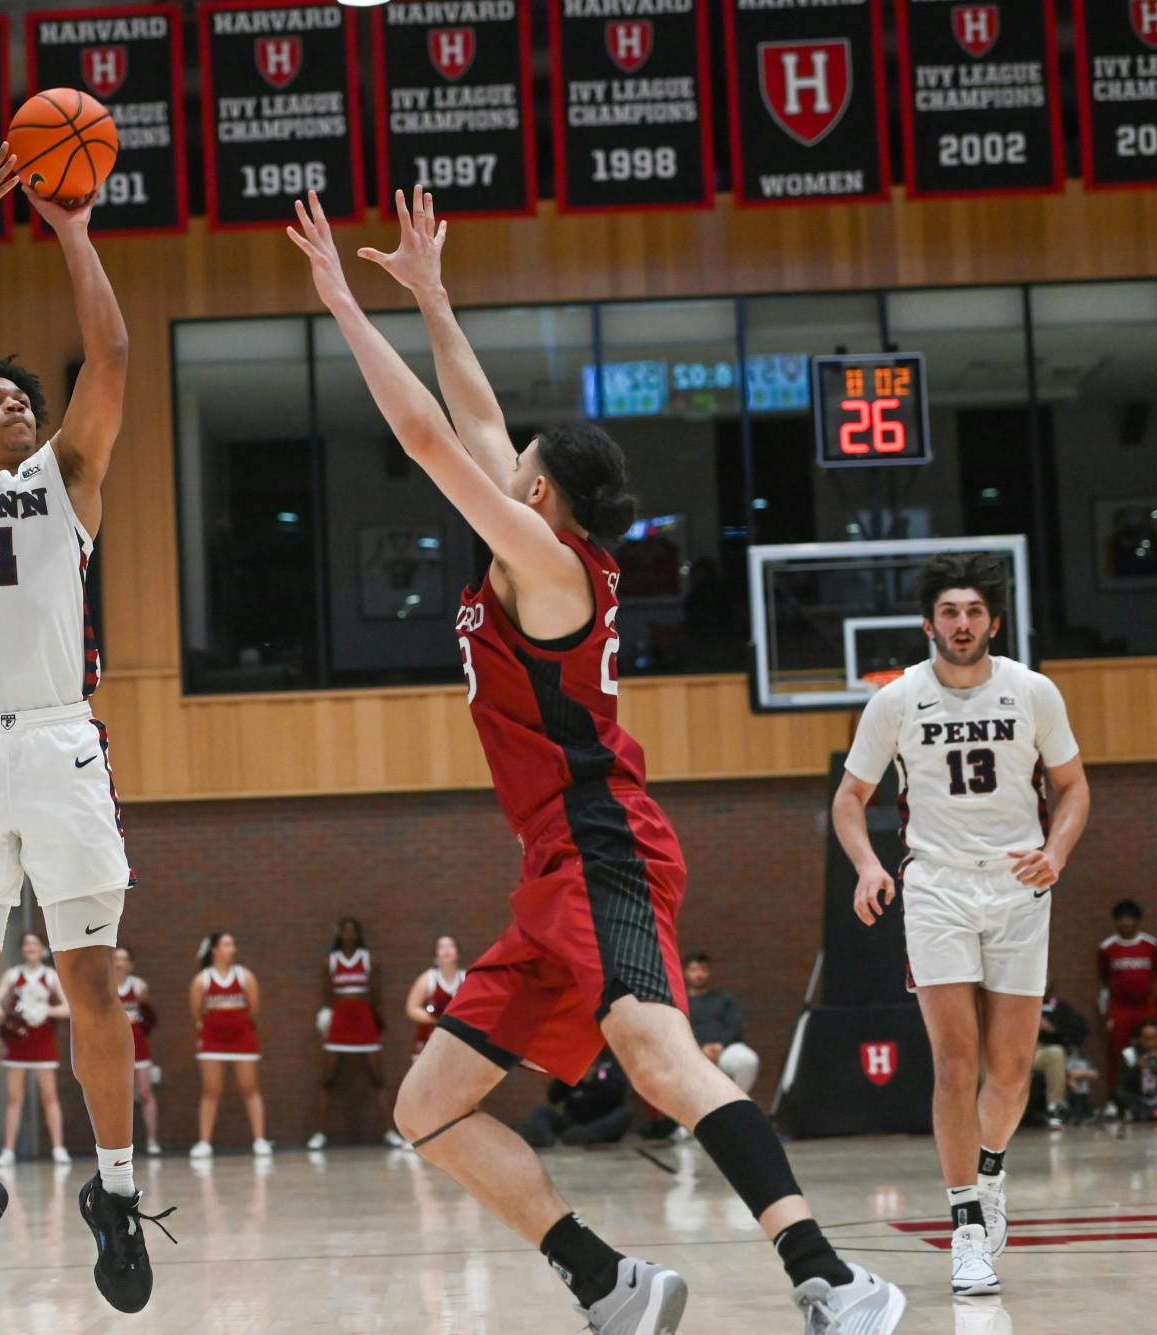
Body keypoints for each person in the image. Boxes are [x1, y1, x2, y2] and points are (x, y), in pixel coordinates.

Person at [290, 187, 902, 1333]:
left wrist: (338, 302)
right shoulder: (528, 543)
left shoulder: (548, 564)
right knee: (427, 1106)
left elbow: (429, 437)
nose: (500, 456)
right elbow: (468, 417)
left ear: (537, 493)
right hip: (548, 869)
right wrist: (427, 295)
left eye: (515, 461)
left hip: (604, 843)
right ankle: (605, 1279)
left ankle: (833, 1278)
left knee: (657, 1057)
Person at [0, 138, 168, 1315]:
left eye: (22, 397)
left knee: (93, 980)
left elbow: (109, 351)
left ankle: (112, 1192)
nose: (14, 404)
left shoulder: (67, 480)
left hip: (61, 741)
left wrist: (69, 225)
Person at [834, 551, 1090, 1298]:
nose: (962, 623)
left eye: (974, 611)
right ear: (928, 623)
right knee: (955, 1062)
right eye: (949, 611)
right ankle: (966, 1227)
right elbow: (850, 798)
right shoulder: (898, 700)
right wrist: (868, 865)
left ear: (994, 622)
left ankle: (990, 1171)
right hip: (937, 887)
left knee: (1011, 1071)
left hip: (1017, 887)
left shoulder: (1033, 691)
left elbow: (1073, 788)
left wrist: (1057, 850)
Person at [308, 917, 399, 1150]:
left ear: (358, 934)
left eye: (352, 931)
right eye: (344, 931)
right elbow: (325, 993)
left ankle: (391, 1132)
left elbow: (376, 994)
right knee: (327, 1078)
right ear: (339, 934)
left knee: (378, 1077)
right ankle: (319, 1134)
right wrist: (325, 1017)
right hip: (340, 1021)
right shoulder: (331, 961)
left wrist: (378, 1021)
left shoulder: (369, 960)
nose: (348, 935)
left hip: (364, 1020)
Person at [0, 932, 71, 1169]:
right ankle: (8, 1150)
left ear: (43, 948)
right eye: (26, 943)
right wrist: (8, 1016)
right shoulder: (13, 975)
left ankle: (58, 1148)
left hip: (43, 1039)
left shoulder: (51, 976)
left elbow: (67, 1008)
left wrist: (44, 1010)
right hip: (18, 1041)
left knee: (50, 1095)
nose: (30, 947)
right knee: (15, 1098)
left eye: (34, 943)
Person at [188, 931, 269, 1159]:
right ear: (214, 950)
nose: (232, 947)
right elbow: (197, 1013)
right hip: (212, 1040)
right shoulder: (201, 980)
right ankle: (204, 1143)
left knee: (250, 1089)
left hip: (243, 1038)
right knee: (211, 1091)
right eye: (226, 943)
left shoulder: (245, 976)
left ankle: (260, 1140)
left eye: (233, 943)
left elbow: (254, 1009)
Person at [1097, 898, 1156, 1105]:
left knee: (1152, 1049)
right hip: (1120, 1007)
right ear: (1116, 922)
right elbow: (1104, 976)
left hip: (1145, 1006)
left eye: (1130, 919)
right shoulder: (1107, 948)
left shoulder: (1150, 945)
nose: (1126, 923)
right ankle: (1114, 1099)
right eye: (1121, 919)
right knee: (1118, 1051)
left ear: (1138, 921)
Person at [515, 1051, 635, 1149]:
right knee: (543, 1111)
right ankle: (539, 1136)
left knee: (624, 1114)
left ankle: (585, 1135)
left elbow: (617, 1096)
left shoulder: (609, 1064)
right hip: (572, 1126)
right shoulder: (573, 1063)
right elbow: (553, 1098)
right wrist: (566, 1076)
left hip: (602, 1123)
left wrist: (595, 1079)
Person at [683, 953, 760, 1097]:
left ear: (709, 971)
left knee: (748, 1061)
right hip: (693, 1054)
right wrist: (700, 1047)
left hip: (724, 1050)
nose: (699, 975)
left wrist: (720, 1045)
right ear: (685, 973)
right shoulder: (680, 1004)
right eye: (694, 970)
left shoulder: (724, 999)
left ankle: (735, 1102)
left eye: (703, 969)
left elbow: (735, 1027)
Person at [114, 946, 161, 1155]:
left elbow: (149, 1017)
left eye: (124, 959)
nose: (119, 963)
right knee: (116, 1095)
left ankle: (152, 1141)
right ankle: (117, 1145)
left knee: (145, 1092)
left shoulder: (139, 987)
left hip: (137, 1042)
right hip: (113, 1043)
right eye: (116, 958)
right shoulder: (105, 986)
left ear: (131, 964)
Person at [1034, 987, 1089, 1130]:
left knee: (1056, 1053)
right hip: (1012, 1050)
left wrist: (1052, 1028)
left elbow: (1078, 1032)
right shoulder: (1012, 1002)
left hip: (1040, 1051)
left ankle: (1055, 1108)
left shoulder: (1058, 1007)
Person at [405, 935, 464, 1059]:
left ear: (458, 952)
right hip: (430, 1040)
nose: (446, 950)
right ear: (436, 954)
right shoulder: (428, 978)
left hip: (459, 1041)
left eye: (450, 946)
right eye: (442, 947)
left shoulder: (466, 978)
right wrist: (438, 1020)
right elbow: (412, 1008)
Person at [1117, 1018, 1157, 1120]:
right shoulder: (1129, 1054)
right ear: (1139, 1038)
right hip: (1138, 1098)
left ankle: (1148, 1113)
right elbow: (1123, 1082)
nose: (1150, 1044)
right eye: (1146, 1039)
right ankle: (1148, 1113)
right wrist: (1137, 1068)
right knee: (1121, 1093)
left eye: (1154, 1039)